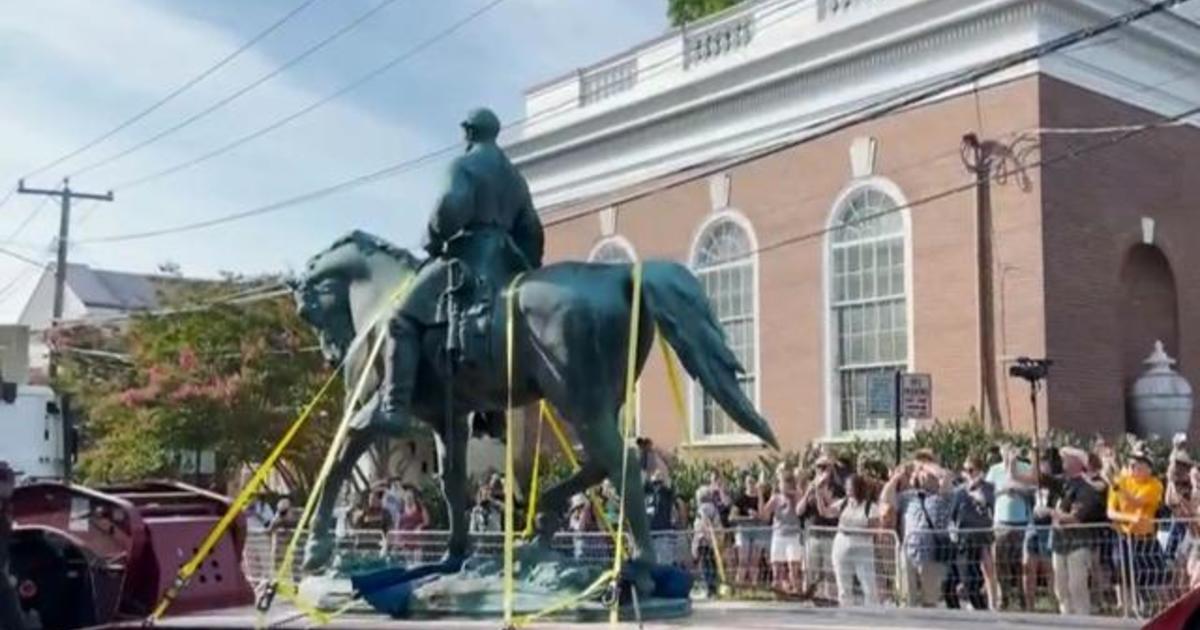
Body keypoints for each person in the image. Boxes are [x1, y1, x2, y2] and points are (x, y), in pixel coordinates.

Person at [380, 108, 544, 430]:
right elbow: (532, 229)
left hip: (469, 255)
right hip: (507, 262)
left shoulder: (465, 165)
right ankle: (492, 412)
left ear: (469, 132)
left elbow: (450, 206)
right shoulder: (516, 178)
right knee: (502, 325)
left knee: (401, 318)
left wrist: (434, 237)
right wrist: (526, 263)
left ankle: (395, 405)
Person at [883, 458, 955, 608]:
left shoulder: (943, 497)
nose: (921, 475)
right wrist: (896, 477)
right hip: (908, 551)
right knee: (906, 599)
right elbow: (886, 497)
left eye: (926, 474)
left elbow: (946, 476)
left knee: (930, 600)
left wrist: (925, 465)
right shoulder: (907, 497)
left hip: (932, 554)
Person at [1108, 449, 1166, 617]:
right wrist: (1131, 518)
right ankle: (1130, 614)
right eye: (1133, 463)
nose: (1135, 467)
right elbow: (1111, 513)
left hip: (1146, 540)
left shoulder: (1155, 485)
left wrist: (1118, 487)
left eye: (1140, 463)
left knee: (1154, 580)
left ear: (1149, 467)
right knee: (1124, 576)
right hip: (1125, 539)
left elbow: (1135, 501)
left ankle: (1162, 612)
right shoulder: (1120, 482)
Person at [1049, 446, 1106, 616]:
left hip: (1078, 543)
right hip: (1060, 542)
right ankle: (1066, 618)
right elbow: (1033, 478)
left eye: (1067, 458)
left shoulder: (1086, 487)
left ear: (1077, 462)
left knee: (1077, 585)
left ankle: (1082, 620)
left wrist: (1050, 512)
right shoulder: (1062, 483)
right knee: (1060, 587)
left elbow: (1075, 517)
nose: (1063, 460)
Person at [986, 443, 1035, 610]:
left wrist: (1019, 490)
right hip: (1001, 522)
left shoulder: (1025, 467)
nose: (1009, 455)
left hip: (1022, 521)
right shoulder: (995, 470)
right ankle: (1003, 596)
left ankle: (1023, 597)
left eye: (1011, 452)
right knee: (1000, 561)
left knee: (1021, 563)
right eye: (1005, 452)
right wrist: (1002, 491)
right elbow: (987, 493)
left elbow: (1033, 489)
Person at [947, 455, 995, 611]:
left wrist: (977, 493)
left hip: (983, 538)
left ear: (980, 471)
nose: (967, 474)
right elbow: (952, 514)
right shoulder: (960, 492)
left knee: (981, 577)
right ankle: (963, 610)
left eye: (971, 470)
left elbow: (990, 507)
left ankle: (985, 609)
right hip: (965, 540)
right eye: (965, 470)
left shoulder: (988, 488)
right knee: (966, 578)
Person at [798, 454, 844, 601]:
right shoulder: (810, 487)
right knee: (810, 571)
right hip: (813, 535)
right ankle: (809, 599)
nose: (822, 470)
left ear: (831, 469)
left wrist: (821, 491)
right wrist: (808, 493)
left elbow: (830, 510)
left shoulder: (837, 488)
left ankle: (830, 599)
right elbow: (799, 511)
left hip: (829, 534)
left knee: (830, 572)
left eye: (825, 467)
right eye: (819, 467)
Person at [831, 474, 881, 607]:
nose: (847, 489)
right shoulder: (843, 503)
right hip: (842, 545)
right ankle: (845, 613)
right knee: (843, 584)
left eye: (850, 486)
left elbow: (873, 529)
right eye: (846, 486)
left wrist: (852, 529)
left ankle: (872, 614)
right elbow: (825, 512)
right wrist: (818, 492)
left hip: (862, 548)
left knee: (868, 584)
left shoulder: (871, 507)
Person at [764, 466, 803, 595]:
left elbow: (799, 509)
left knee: (793, 567)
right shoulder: (776, 498)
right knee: (777, 568)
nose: (782, 486)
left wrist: (792, 496)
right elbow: (765, 514)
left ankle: (797, 591)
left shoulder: (796, 495)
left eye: (784, 482)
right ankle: (778, 592)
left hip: (793, 535)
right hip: (778, 535)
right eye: (780, 483)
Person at [731, 473, 768, 588]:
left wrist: (758, 515)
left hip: (758, 531)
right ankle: (739, 587)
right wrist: (747, 518)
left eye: (753, 482)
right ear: (745, 484)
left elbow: (765, 516)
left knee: (754, 562)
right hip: (744, 531)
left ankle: (754, 588)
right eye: (749, 482)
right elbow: (732, 517)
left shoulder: (762, 498)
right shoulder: (740, 498)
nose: (751, 485)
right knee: (743, 561)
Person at [692, 486, 723, 598]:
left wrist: (698, 541)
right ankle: (714, 587)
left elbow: (703, 523)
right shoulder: (714, 508)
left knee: (705, 565)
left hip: (704, 541)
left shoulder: (702, 509)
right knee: (712, 565)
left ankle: (710, 589)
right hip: (712, 541)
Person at [645, 470, 678, 566]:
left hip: (662, 533)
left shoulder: (666, 494)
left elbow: (671, 486)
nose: (657, 486)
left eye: (659, 483)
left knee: (664, 563)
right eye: (655, 484)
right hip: (650, 533)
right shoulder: (647, 494)